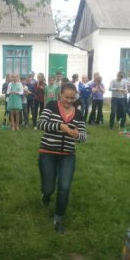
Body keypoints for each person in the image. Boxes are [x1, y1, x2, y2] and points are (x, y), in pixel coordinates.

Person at [37, 82, 87, 234]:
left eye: (72, 98)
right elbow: (40, 124)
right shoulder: (51, 106)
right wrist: (60, 126)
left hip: (68, 156)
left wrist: (77, 135)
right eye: (67, 97)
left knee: (65, 187)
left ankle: (58, 219)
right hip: (47, 153)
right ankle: (46, 195)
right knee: (49, 187)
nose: (69, 101)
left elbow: (84, 137)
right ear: (60, 94)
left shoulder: (78, 114)